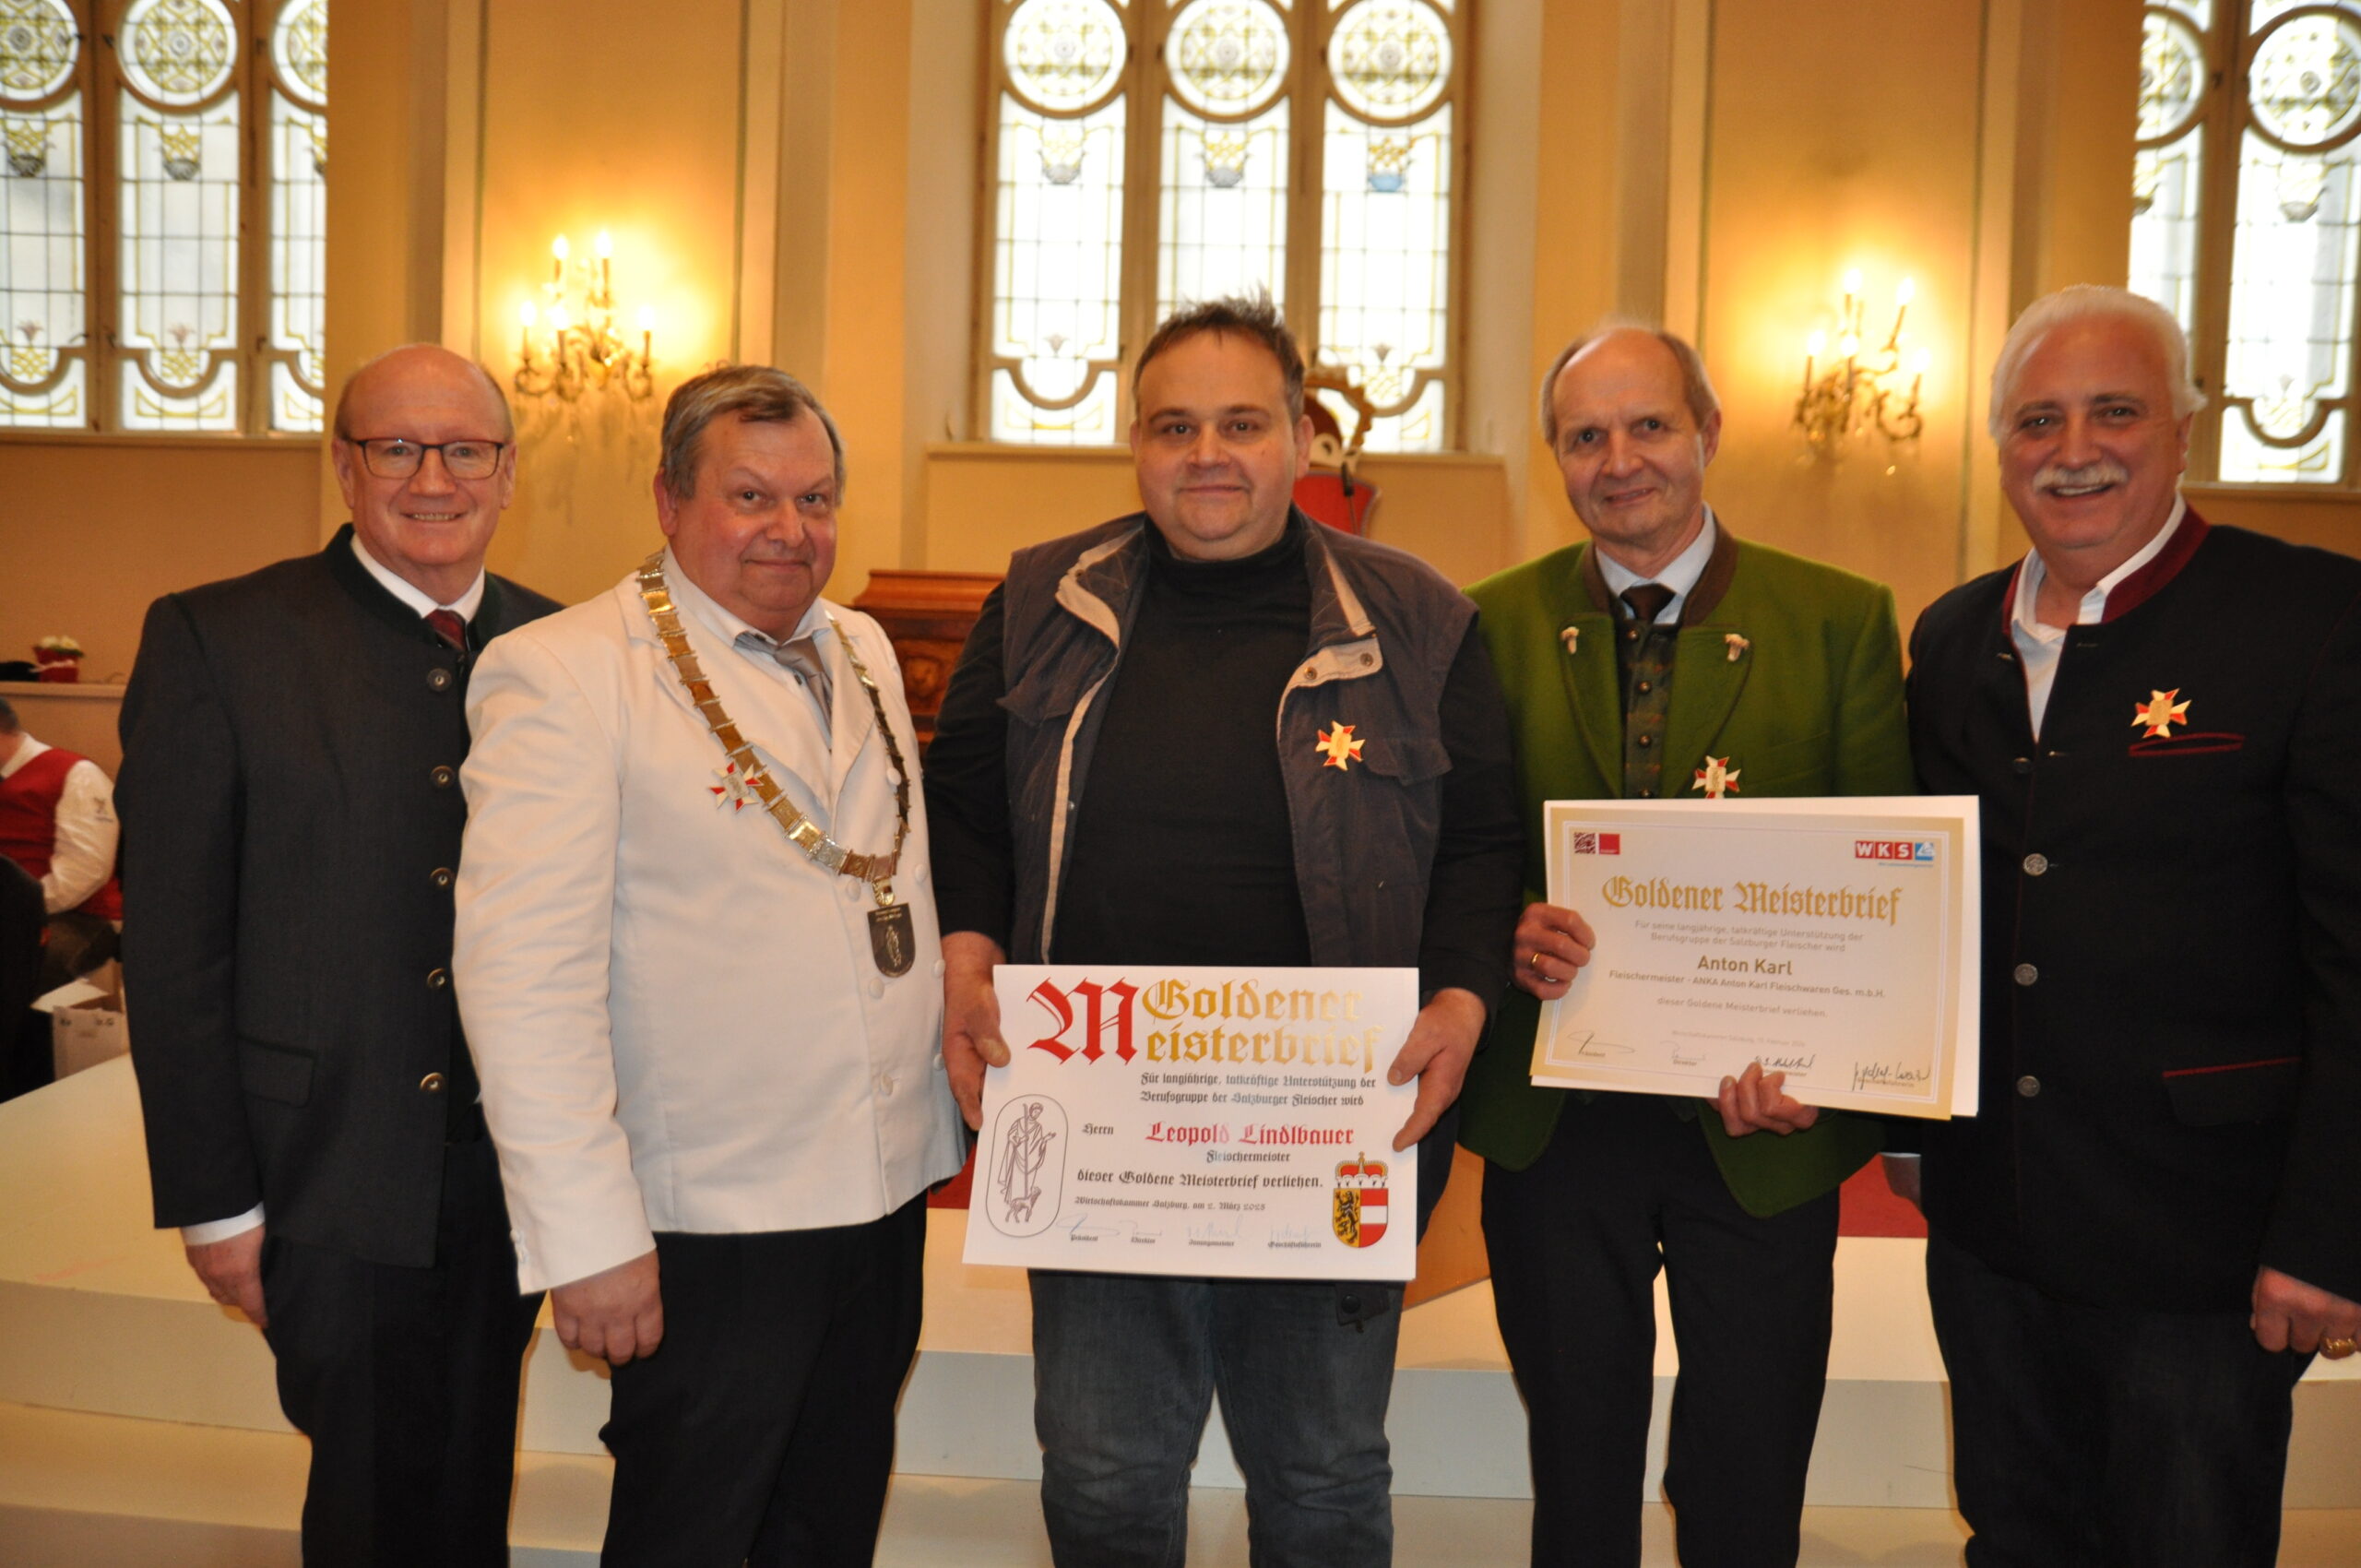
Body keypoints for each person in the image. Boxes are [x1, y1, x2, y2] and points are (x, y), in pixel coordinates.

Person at [925, 294, 1524, 1568]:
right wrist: (968, 953)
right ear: (1135, 443)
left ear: (1302, 437)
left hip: (1330, 1121)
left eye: (1243, 424)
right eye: (1175, 426)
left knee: (1321, 1482)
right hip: (1100, 1119)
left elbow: (1484, 844)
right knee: (1102, 1476)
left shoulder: (1420, 619)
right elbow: (964, 805)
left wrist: (1464, 1001)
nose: (1208, 454)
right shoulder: (1037, 600)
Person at [452, 363, 966, 1568]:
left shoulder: (863, 644)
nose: (791, 528)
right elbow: (523, 982)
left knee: (826, 1525)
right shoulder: (567, 670)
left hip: (880, 1194)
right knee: (692, 1533)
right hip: (713, 1219)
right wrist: (586, 1237)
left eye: (816, 498)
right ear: (669, 501)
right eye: (750, 496)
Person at [1897, 284, 2361, 1567]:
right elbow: (1918, 905)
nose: (2074, 449)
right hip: (1992, 1222)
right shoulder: (1952, 635)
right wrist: (1901, 1117)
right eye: (2037, 419)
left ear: (2184, 429)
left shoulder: (2311, 620)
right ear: (2000, 445)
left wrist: (2331, 1230)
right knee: (2014, 1535)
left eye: (2114, 411)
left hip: (2204, 1238)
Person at [1456, 324, 1912, 1567]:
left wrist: (1828, 1067)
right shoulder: (1487, 623)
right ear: (1555, 456)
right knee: (1576, 1463)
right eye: (1584, 436)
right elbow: (1458, 846)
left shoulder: (1837, 620)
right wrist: (1505, 924)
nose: (1620, 461)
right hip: (1557, 1115)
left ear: (1707, 432)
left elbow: (1888, 879)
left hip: (1761, 1119)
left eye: (1649, 425)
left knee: (1748, 1469)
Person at [117, 343, 558, 1565]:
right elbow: (173, 950)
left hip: (511, 1177)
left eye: (464, 449)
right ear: (344, 465)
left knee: (469, 1492)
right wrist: (215, 1201)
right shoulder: (220, 637)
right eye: (396, 447)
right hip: (324, 1171)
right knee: (368, 1510)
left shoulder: (563, 647)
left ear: (507, 470)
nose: (433, 478)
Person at [0, 695, 122, 994]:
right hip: (14, 911)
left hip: (76, 917)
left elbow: (86, 871)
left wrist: (17, 908)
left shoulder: (76, 774)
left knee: (13, 965)